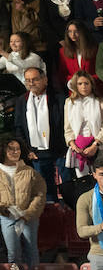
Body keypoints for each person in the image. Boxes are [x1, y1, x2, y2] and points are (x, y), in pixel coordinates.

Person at [13, 66, 63, 194]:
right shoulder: (21, 101)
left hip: (58, 151)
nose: (31, 83)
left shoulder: (58, 98)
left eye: (35, 79)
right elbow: (19, 128)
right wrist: (26, 150)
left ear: (45, 80)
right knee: (44, 191)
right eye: (28, 80)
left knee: (64, 188)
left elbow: (64, 125)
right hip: (35, 154)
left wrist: (63, 148)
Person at [0, 136, 43, 269]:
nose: (15, 152)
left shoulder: (30, 172)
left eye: (17, 149)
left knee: (32, 251)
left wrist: (29, 213)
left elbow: (39, 194)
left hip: (28, 217)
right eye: (11, 149)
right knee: (13, 253)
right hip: (6, 217)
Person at [63, 71, 102, 179]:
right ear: (75, 86)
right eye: (80, 84)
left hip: (98, 146)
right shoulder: (69, 103)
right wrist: (73, 145)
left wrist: (95, 145)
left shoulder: (100, 102)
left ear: (91, 85)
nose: (83, 86)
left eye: (86, 83)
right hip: (78, 148)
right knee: (83, 181)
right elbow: (68, 127)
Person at [58, 20, 99, 100]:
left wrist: (88, 81)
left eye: (76, 31)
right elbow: (62, 74)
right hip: (74, 92)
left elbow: (99, 70)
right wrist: (74, 81)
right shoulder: (63, 51)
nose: (72, 35)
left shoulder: (94, 48)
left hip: (94, 91)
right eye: (70, 32)